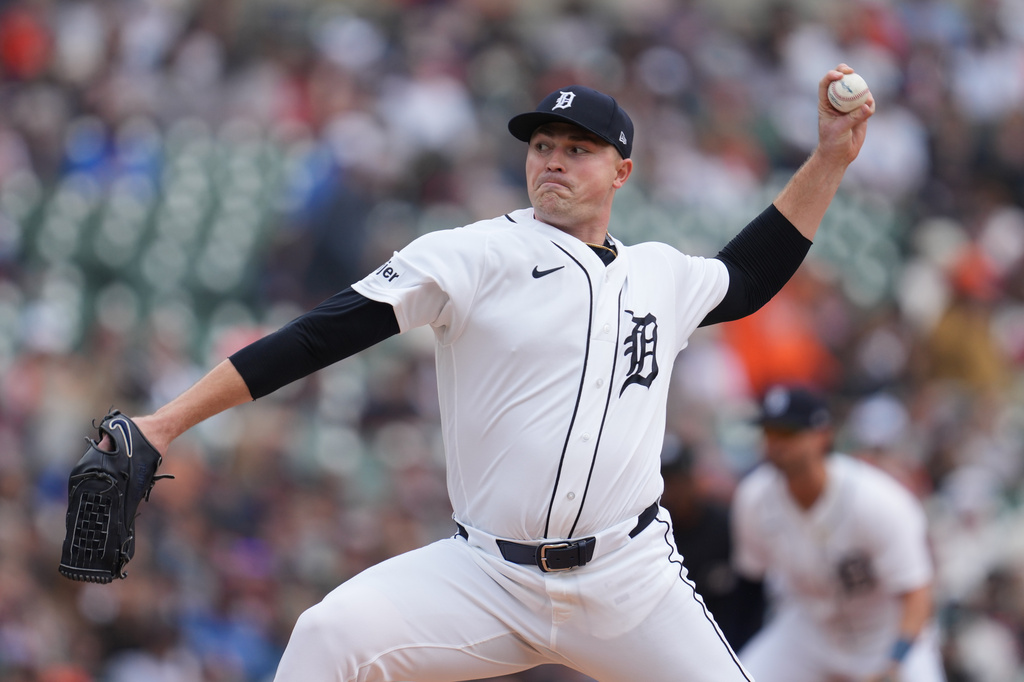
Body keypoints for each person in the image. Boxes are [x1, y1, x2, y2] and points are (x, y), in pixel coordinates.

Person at [104, 65, 873, 681]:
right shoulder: (472, 255)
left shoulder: (659, 275)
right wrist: (165, 422)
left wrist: (831, 157)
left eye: (578, 149)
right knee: (329, 637)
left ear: (621, 171)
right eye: (543, 145)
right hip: (487, 576)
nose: (554, 161)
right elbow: (318, 336)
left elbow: (750, 272)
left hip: (629, 578)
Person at [730, 384, 946, 682]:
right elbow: (749, 587)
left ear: (822, 435)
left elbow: (918, 594)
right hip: (809, 633)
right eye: (769, 432)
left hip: (885, 636)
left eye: (788, 433)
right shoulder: (753, 498)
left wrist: (893, 663)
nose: (775, 443)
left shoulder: (877, 501)